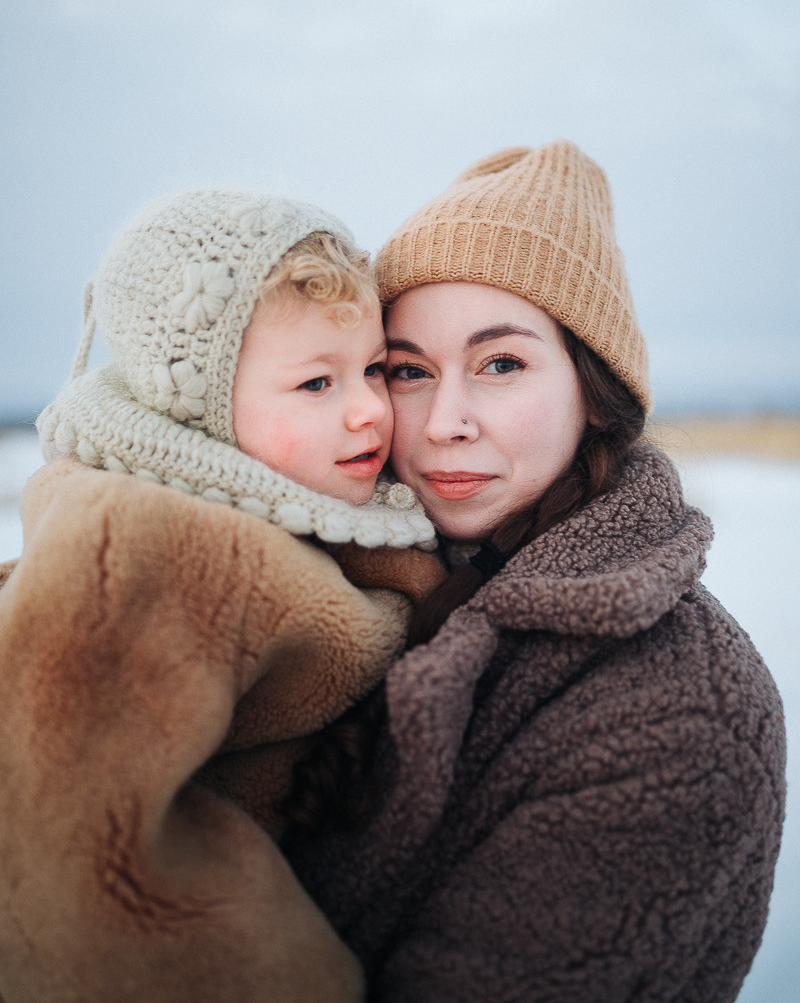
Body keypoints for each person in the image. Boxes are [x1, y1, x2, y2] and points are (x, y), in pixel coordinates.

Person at [281, 141, 787, 1002]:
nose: (445, 421)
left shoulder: (680, 711)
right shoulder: (339, 581)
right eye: (409, 370)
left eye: (502, 364)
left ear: (594, 389)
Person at [0, 188, 441, 1003]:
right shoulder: (148, 546)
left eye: (375, 370)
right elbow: (66, 839)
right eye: (316, 384)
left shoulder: (308, 517)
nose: (369, 410)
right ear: (198, 407)